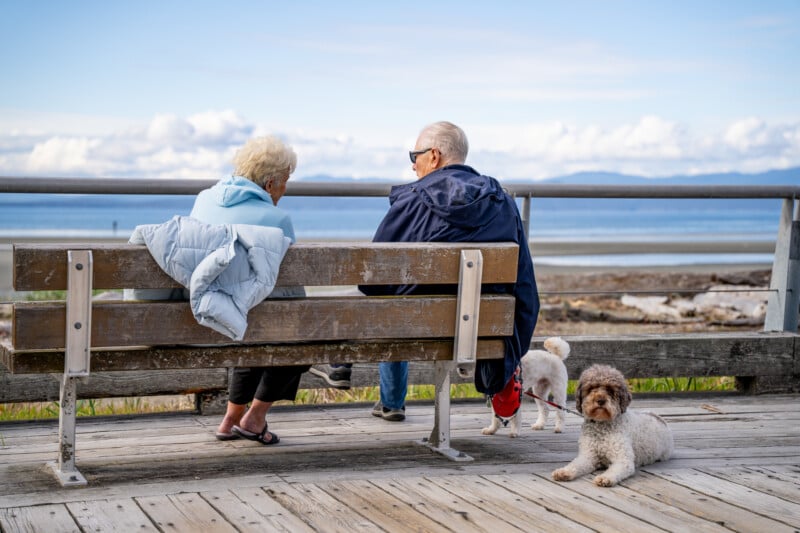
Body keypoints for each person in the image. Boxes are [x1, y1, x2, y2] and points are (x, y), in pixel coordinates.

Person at [310, 121, 539, 421]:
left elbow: (374, 281)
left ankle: (351, 371)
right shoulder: (504, 203)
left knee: (391, 301)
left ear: (434, 156)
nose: (412, 166)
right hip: (481, 330)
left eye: (413, 156)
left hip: (413, 325)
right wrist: (511, 354)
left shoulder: (412, 200)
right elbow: (525, 288)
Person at [193, 135, 306, 444]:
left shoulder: (203, 199)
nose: (285, 190)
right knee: (299, 332)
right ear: (270, 184)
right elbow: (290, 285)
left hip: (200, 317)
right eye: (285, 182)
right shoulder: (277, 218)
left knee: (253, 323)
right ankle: (255, 417)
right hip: (241, 320)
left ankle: (230, 419)